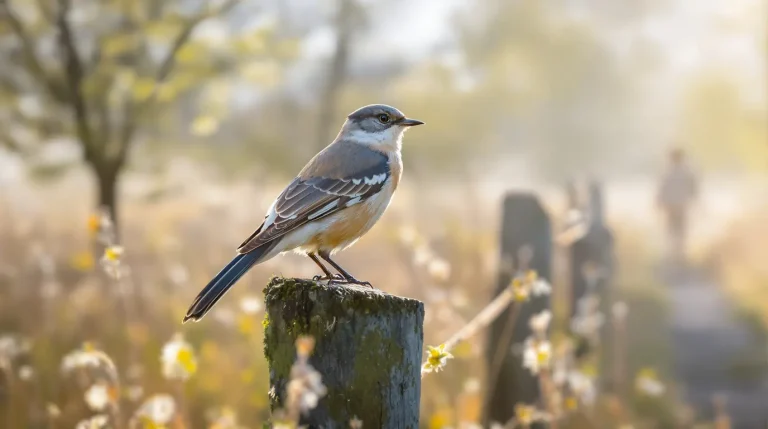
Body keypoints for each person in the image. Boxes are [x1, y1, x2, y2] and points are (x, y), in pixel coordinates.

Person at [656, 148, 698, 261]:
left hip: (673, 207)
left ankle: (675, 254)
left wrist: (659, 203)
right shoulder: (686, 172)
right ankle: (678, 254)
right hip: (679, 206)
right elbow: (693, 189)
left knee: (673, 230)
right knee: (679, 230)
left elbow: (662, 190)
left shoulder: (668, 173)